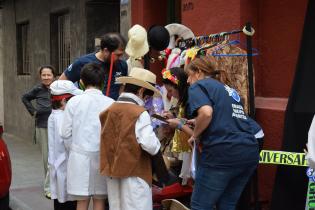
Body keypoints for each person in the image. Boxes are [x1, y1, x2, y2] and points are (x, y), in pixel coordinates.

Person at [185, 56, 259, 210]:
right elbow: (228, 117)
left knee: (200, 206)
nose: (187, 81)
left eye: (188, 76)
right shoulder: (228, 89)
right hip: (249, 152)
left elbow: (206, 113)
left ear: (198, 72)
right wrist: (197, 122)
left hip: (222, 153)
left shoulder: (199, 86)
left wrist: (195, 135)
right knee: (227, 205)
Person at [99, 67, 161, 210]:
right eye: (147, 96)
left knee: (117, 206)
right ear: (140, 91)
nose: (146, 100)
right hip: (135, 171)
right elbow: (150, 145)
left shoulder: (109, 108)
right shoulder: (139, 112)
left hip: (112, 170)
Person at [60, 63, 114, 210]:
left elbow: (65, 133)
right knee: (99, 200)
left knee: (81, 201)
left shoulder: (74, 102)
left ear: (82, 82)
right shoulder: (111, 103)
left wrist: (75, 147)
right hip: (102, 157)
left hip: (79, 156)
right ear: (103, 82)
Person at [59, 33, 127, 100]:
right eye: (118, 55)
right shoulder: (82, 62)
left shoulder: (122, 65)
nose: (120, 57)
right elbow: (60, 83)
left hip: (112, 108)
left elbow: (122, 88)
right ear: (106, 50)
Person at [21, 65, 56, 198]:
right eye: (44, 75)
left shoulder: (58, 88)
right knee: (47, 158)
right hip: (43, 126)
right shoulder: (37, 89)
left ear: (54, 76)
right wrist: (33, 112)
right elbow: (24, 98)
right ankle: (48, 188)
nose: (46, 77)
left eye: (49, 75)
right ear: (40, 76)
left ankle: (54, 185)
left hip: (58, 127)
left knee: (55, 158)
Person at [161, 67, 193, 184]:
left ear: (178, 86)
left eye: (170, 91)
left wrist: (178, 123)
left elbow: (190, 124)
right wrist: (172, 118)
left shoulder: (191, 101)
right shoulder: (182, 100)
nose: (171, 95)